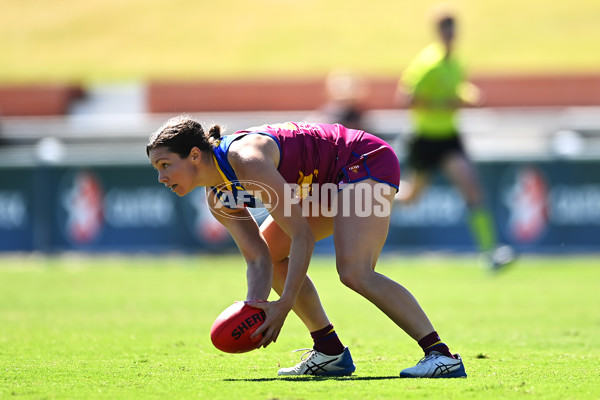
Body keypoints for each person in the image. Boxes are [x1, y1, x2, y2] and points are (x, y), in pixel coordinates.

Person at [146, 115, 467, 378]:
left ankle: (440, 354)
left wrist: (284, 304)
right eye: (156, 169)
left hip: (363, 160)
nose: (161, 177)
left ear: (194, 155)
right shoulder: (219, 197)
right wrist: (255, 306)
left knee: (355, 272)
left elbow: (301, 236)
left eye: (165, 165)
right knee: (272, 253)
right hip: (326, 180)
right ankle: (329, 351)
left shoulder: (246, 160)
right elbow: (258, 259)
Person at [395, 7, 515, 270]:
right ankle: (370, 200)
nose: (450, 36)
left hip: (448, 138)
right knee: (411, 197)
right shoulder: (428, 63)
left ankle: (490, 253)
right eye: (446, 31)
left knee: (472, 188)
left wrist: (468, 95)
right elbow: (407, 97)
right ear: (439, 33)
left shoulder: (457, 62)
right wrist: (444, 104)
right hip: (425, 138)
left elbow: (457, 89)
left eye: (453, 31)